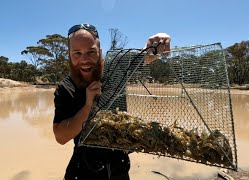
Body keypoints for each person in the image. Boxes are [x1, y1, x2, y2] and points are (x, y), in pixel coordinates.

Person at [53, 23, 171, 180]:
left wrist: (161, 40)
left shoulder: (117, 66)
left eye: (91, 52)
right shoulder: (65, 88)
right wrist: (88, 105)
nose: (84, 60)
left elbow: (149, 54)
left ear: (100, 52)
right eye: (77, 53)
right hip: (82, 170)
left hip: (119, 168)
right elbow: (61, 137)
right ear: (69, 55)